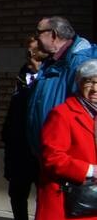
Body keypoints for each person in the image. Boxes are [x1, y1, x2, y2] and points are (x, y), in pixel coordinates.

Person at [37, 58, 97, 220]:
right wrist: (89, 170)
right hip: (67, 194)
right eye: (89, 82)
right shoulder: (63, 113)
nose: (94, 88)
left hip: (93, 195)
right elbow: (52, 157)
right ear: (79, 84)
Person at [27, 16, 97, 155]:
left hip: (66, 155)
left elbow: (85, 111)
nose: (36, 38)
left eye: (38, 33)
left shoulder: (79, 62)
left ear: (53, 34)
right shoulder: (52, 61)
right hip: (49, 152)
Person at [2, 36, 46, 220]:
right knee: (17, 193)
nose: (29, 57)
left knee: (43, 196)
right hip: (19, 146)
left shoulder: (49, 75)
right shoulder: (23, 74)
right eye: (28, 52)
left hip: (39, 146)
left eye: (34, 52)